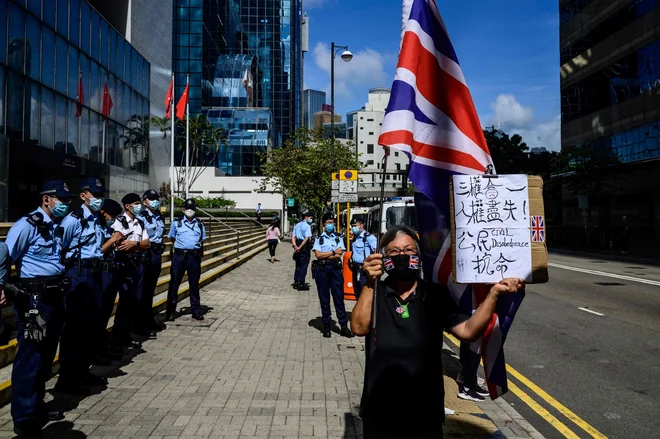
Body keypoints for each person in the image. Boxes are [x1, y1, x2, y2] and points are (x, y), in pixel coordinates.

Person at [350, 226, 523, 438]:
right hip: (381, 405)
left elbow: (468, 331)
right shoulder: (374, 293)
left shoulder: (434, 294)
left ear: (419, 256)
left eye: (409, 251)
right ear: (382, 258)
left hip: (425, 407)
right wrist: (370, 282)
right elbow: (358, 327)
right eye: (393, 252)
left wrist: (494, 294)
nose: (401, 256)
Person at [4, 180, 73, 438]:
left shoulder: (54, 226)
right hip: (35, 297)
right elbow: (6, 255)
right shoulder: (27, 225)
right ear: (47, 200)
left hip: (55, 295)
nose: (66, 204)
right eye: (62, 200)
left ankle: (37, 405)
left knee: (45, 355)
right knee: (30, 356)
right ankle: (23, 416)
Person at [56, 177, 108, 395]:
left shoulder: (96, 219)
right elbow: (61, 248)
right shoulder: (73, 220)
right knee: (75, 327)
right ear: (83, 195)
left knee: (91, 324)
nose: (98, 199)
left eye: (100, 194)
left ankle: (82, 370)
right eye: (94, 194)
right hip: (78, 272)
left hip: (94, 272)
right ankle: (67, 378)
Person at [111, 193, 152, 348]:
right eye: (135, 203)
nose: (139, 206)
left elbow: (147, 244)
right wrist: (135, 244)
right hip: (124, 264)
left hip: (137, 263)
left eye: (139, 203)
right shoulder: (119, 222)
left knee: (134, 300)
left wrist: (134, 244)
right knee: (125, 301)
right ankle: (118, 337)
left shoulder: (139, 222)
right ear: (127, 206)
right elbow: (119, 244)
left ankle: (126, 334)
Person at [93, 199, 125, 364]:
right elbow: (97, 251)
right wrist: (112, 240)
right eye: (111, 215)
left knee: (106, 311)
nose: (112, 218)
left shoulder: (107, 227)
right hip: (101, 273)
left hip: (111, 271)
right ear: (103, 212)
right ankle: (95, 351)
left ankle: (102, 347)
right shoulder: (96, 227)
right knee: (98, 313)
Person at [312, 213, 353, 338]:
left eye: (332, 222)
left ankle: (343, 326)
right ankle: (326, 326)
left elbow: (339, 255)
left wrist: (329, 253)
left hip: (335, 269)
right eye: (328, 222)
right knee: (324, 299)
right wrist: (333, 252)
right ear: (324, 224)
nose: (330, 225)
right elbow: (318, 255)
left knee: (338, 298)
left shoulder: (338, 237)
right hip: (322, 269)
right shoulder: (319, 238)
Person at [166, 198, 206, 321]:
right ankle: (171, 311)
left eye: (192, 209)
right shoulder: (176, 223)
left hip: (193, 257)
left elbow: (202, 238)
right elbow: (172, 237)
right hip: (179, 257)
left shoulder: (199, 223)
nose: (190, 211)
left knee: (194, 285)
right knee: (174, 284)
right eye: (188, 208)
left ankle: (196, 311)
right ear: (183, 209)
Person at [138, 190, 166, 333]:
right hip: (146, 254)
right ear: (145, 202)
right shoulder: (141, 217)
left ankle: (148, 319)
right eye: (151, 199)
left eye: (156, 199)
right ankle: (140, 323)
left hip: (156, 253)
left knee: (150, 289)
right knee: (143, 289)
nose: (155, 201)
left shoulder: (159, 216)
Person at [349, 215, 377, 299]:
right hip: (356, 269)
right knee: (357, 294)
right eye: (352, 226)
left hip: (364, 271)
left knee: (364, 295)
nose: (353, 228)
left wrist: (371, 265)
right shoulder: (355, 238)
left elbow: (376, 251)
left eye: (355, 226)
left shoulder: (369, 237)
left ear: (362, 225)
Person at [291, 211, 313, 291]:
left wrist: (295, 246)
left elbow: (293, 236)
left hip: (297, 244)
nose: (311, 220)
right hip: (303, 246)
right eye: (311, 218)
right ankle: (301, 282)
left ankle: (296, 281)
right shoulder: (307, 226)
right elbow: (307, 238)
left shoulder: (297, 225)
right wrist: (300, 247)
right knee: (304, 265)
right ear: (306, 217)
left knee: (298, 265)